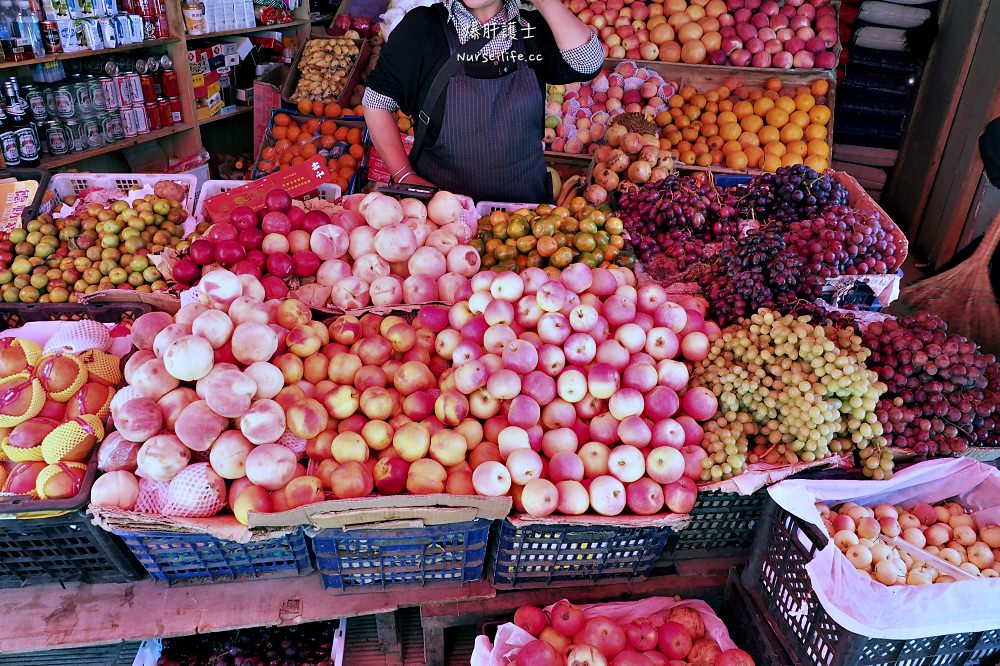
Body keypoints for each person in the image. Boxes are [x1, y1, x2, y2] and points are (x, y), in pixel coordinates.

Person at [362, 0, 603, 203]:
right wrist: (404, 175)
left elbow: (587, 62)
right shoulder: (422, 28)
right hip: (441, 215)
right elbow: (376, 101)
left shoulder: (530, 29)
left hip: (528, 220)